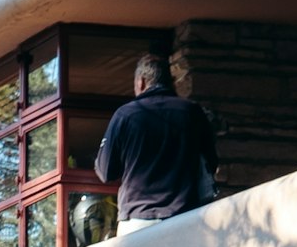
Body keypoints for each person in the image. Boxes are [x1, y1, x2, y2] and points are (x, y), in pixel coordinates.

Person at [89, 52, 218, 235]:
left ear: (141, 82)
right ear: (170, 83)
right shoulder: (192, 113)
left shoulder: (125, 115)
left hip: (139, 220)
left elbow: (106, 171)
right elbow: (211, 163)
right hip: (185, 218)